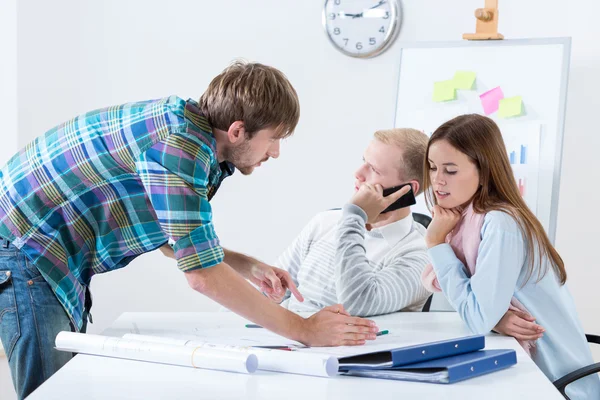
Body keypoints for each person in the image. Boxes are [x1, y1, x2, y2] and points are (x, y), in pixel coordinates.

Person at [0, 61, 378, 399]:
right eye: (273, 138)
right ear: (237, 130)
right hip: (25, 248)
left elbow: (176, 237)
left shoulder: (191, 132)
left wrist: (248, 266)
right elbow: (201, 276)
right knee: (51, 392)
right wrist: (304, 329)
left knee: (68, 386)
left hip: (42, 249)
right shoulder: (178, 147)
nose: (275, 152)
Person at [422, 114, 600, 399]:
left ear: (485, 171)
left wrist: (435, 244)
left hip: (555, 383)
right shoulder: (463, 219)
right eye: (432, 168)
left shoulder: (499, 223)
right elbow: (468, 304)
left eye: (451, 170)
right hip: (522, 370)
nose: (437, 181)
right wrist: (495, 317)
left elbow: (477, 314)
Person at [274, 128, 431, 316]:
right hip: (282, 339)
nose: (358, 173)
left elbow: (358, 303)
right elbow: (271, 293)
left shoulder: (421, 255)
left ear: (407, 190)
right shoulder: (324, 222)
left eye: (374, 169)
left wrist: (354, 218)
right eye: (364, 161)